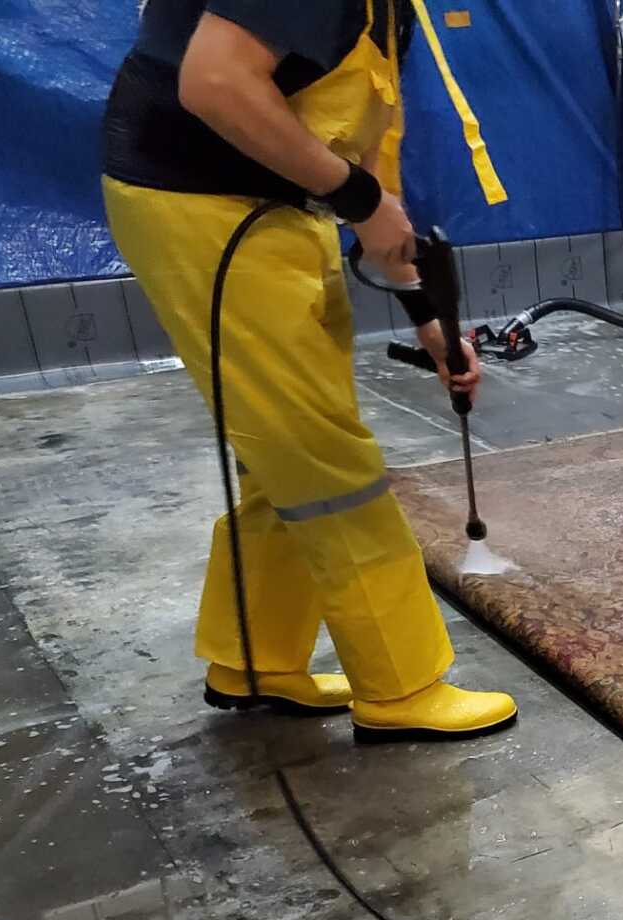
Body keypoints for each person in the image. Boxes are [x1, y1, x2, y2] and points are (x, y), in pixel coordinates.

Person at [101, 0, 519, 740]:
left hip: (277, 205)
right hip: (203, 202)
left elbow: (367, 162)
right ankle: (401, 689)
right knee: (325, 461)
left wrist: (428, 317)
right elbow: (215, 82)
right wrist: (355, 200)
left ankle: (254, 660)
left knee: (283, 453)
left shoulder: (393, 9)